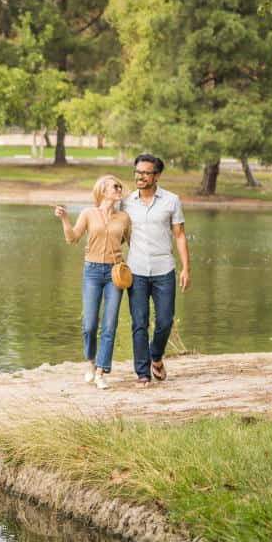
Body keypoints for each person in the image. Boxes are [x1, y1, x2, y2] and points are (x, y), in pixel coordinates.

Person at [54, 175, 132, 390]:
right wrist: (64, 219)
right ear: (103, 191)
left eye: (120, 186)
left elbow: (133, 244)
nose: (119, 189)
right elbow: (72, 239)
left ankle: (100, 372)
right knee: (89, 325)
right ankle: (91, 363)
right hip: (92, 272)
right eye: (115, 186)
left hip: (115, 274)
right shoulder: (88, 213)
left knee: (109, 324)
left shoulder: (124, 218)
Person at [122, 154, 190, 387]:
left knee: (164, 320)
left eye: (145, 173)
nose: (140, 177)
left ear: (157, 176)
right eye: (137, 172)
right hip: (136, 270)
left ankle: (156, 356)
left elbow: (179, 235)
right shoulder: (126, 202)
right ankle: (142, 372)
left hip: (164, 269)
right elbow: (115, 231)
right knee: (139, 321)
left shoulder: (171, 201)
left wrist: (185, 269)